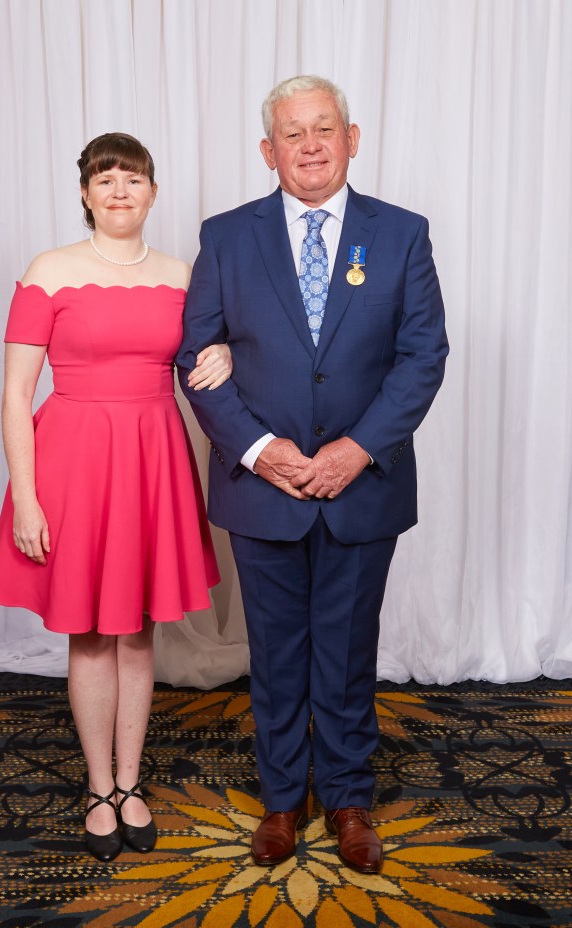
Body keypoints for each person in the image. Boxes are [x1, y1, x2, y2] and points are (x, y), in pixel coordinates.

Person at [177, 75, 448, 874]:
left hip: (362, 486)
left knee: (346, 647)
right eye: (292, 133)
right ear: (269, 151)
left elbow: (421, 355)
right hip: (262, 489)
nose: (310, 145)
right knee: (277, 650)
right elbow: (195, 354)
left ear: (351, 138)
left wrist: (355, 449)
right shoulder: (227, 236)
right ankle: (281, 800)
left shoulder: (400, 234)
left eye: (323, 128)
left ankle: (349, 797)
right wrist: (262, 451)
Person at [0, 132, 232, 863]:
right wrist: (26, 498)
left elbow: (207, 352)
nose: (119, 190)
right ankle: (98, 786)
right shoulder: (49, 271)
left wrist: (223, 350)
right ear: (85, 193)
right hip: (74, 464)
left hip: (152, 458)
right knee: (90, 631)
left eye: (133, 178)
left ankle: (131, 782)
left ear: (153, 193)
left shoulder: (182, 275)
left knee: (139, 631)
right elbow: (14, 395)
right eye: (105, 178)